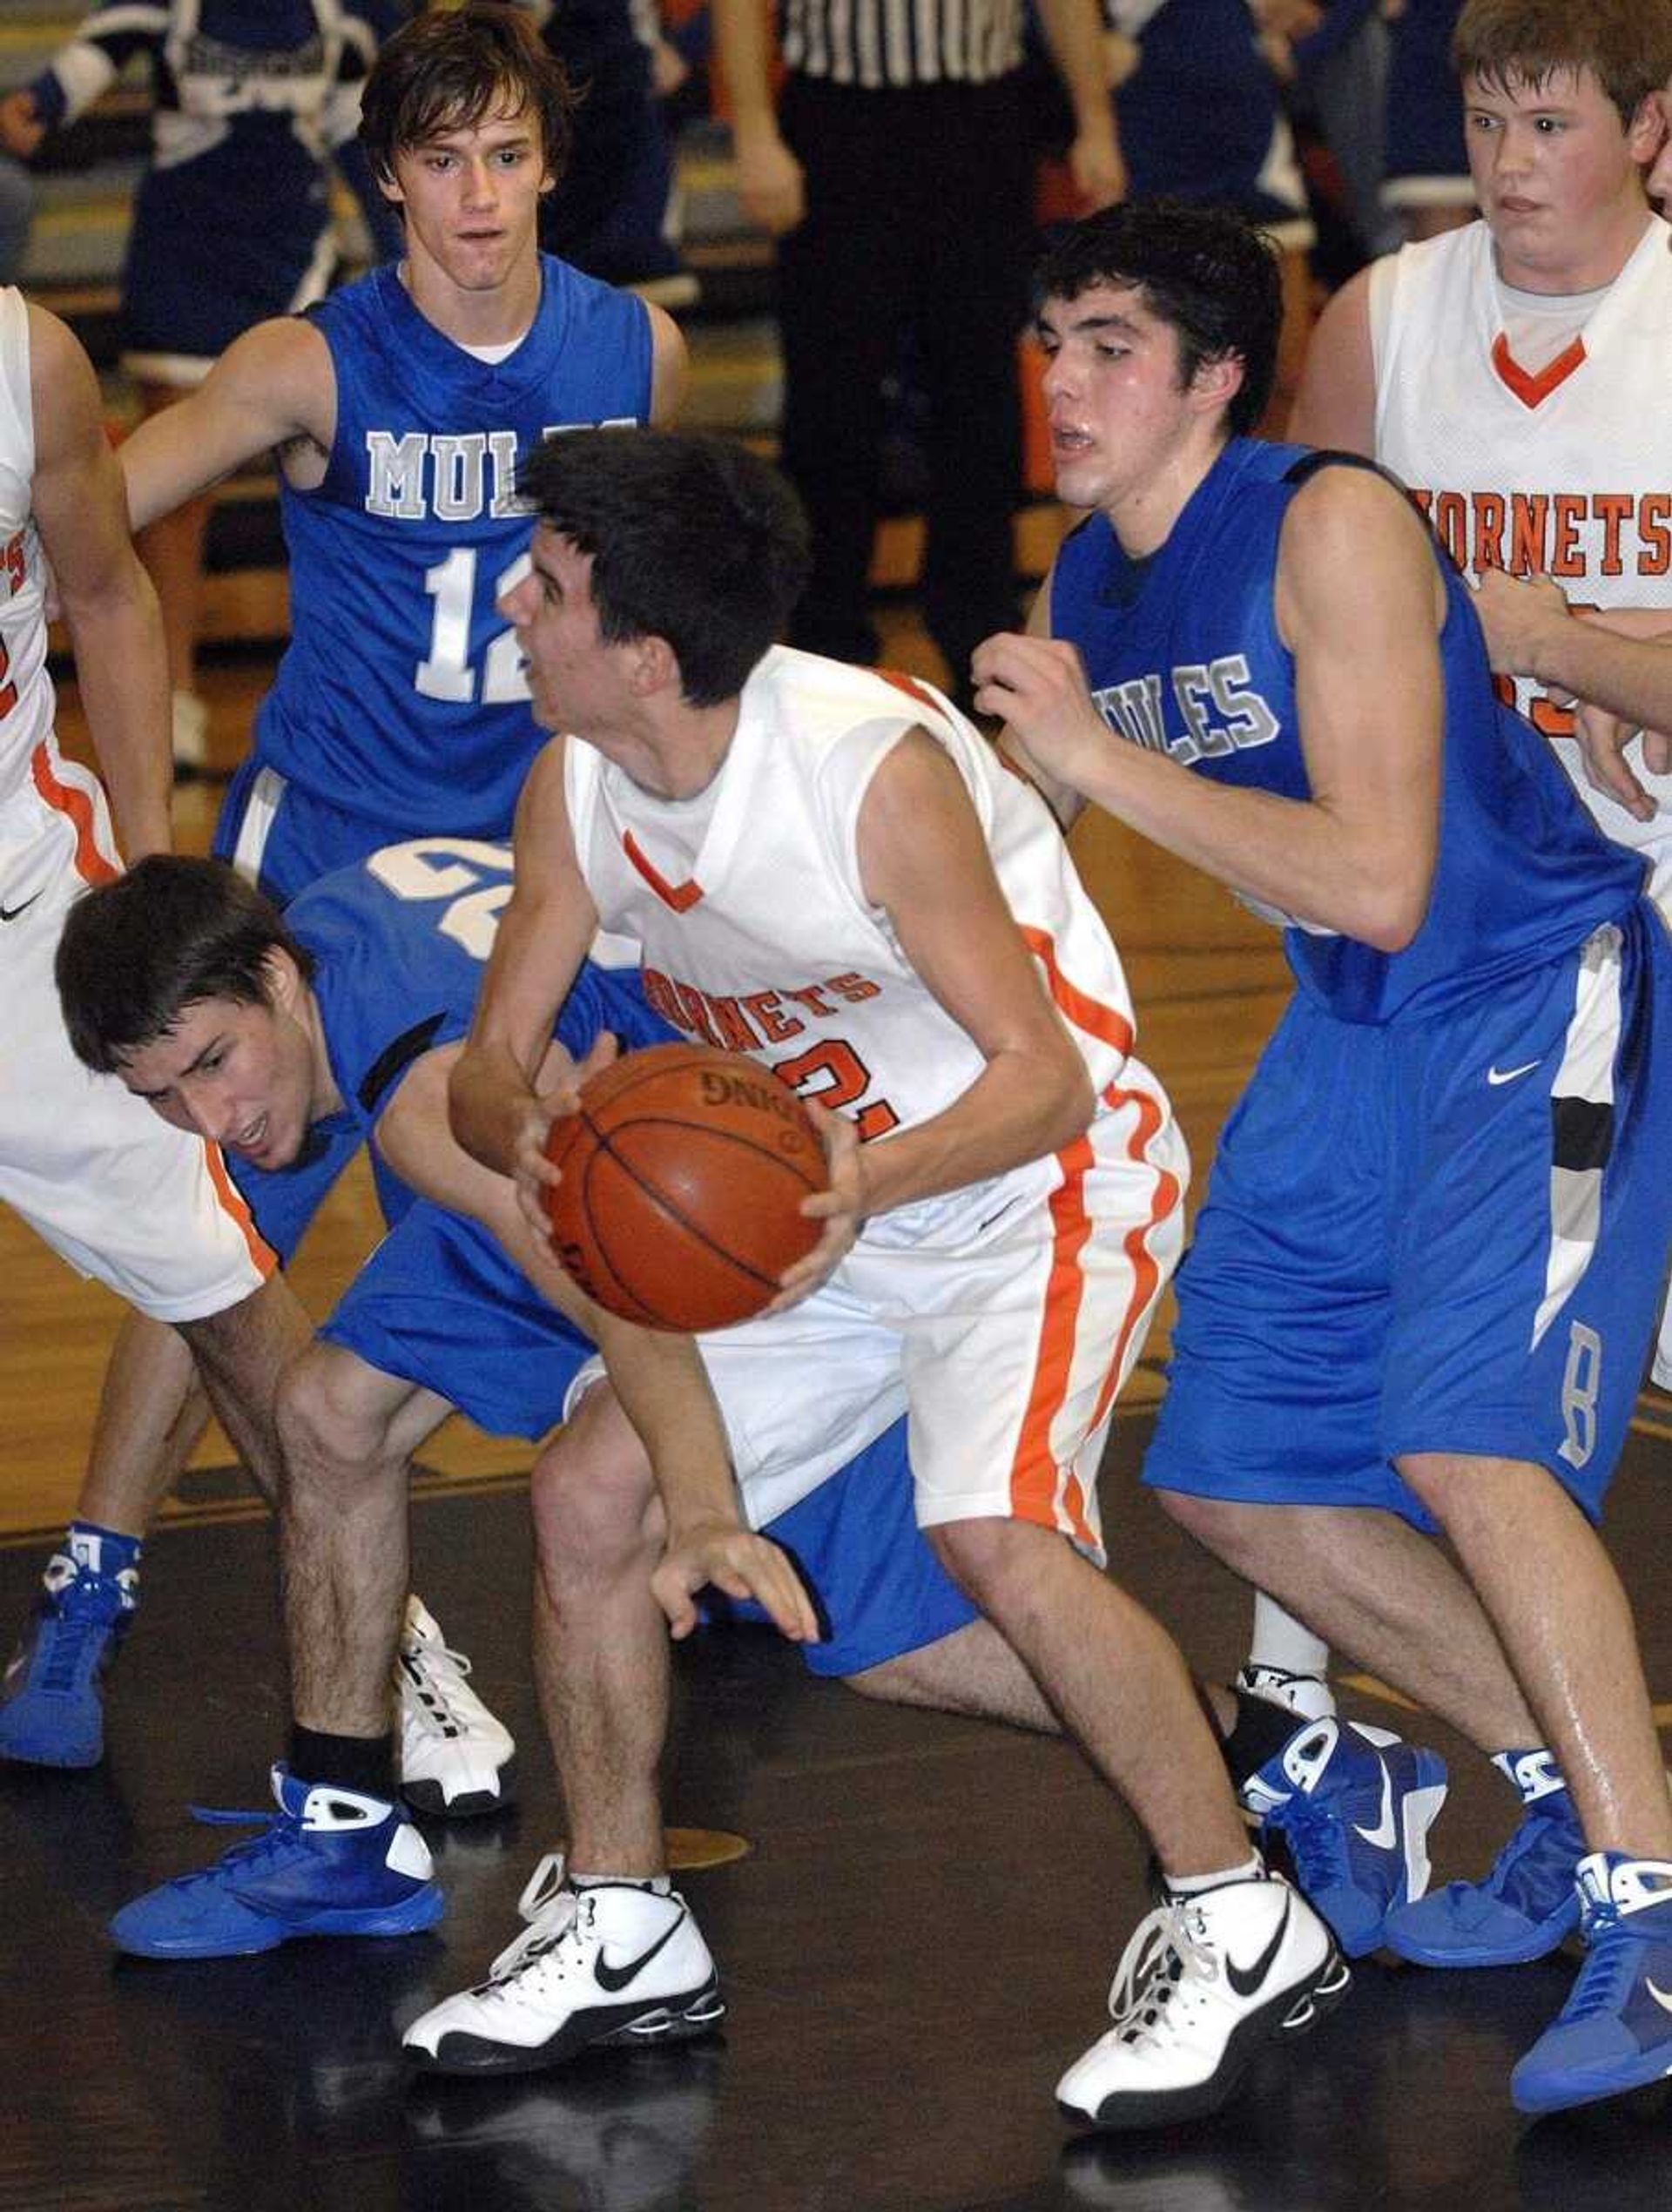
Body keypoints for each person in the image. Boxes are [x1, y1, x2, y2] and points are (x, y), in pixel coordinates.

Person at [410, 423, 1370, 2133]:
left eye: (547, 586)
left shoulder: (865, 772)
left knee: (992, 1527)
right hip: (821, 1205)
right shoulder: (576, 775)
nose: (516, 608)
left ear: (646, 651)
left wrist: (864, 1189)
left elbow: (1046, 1078)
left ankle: (1235, 1914)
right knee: (588, 1496)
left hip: (1031, 1178)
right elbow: (493, 1065)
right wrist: (542, 1123)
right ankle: (624, 1917)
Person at [974, 197, 1672, 2117]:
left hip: (1531, 990)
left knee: (1465, 1440)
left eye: (1110, 343)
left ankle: (1655, 1899)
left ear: (1213, 376)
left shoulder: (1330, 519)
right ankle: (1536, 1778)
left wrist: (1097, 765)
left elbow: (1378, 876)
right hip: (1358, 1031)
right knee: (1230, 1467)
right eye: (1051, 340)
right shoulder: (1084, 588)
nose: (1066, 380)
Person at [0, 2, 690, 1777]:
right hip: (326, 857)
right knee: (213, 1226)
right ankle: (97, 1573)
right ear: (387, 183)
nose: (481, 197)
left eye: (511, 158)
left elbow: (682, 599)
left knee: (587, 1185)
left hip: (533, 846)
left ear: (553, 164)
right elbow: (87, 514)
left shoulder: (637, 350)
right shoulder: (314, 361)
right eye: (443, 163)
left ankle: (685, 1508)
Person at [55, 841, 811, 1958]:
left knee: (910, 1629)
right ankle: (344, 1830)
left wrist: (701, 1504)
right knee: (326, 1412)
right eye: (161, 1093)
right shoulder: (332, 920)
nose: (210, 1117)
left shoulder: (426, 1105)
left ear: (273, 979)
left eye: (214, 1063)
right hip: (639, 1141)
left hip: (725, 1196)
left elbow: (620, 1290)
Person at [1272, 0, 1672, 1886]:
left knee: (1512, 1409)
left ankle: (1591, 1819)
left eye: (1555, 124)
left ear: (1654, 135)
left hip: (1650, 923)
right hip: (1469, 944)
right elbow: (1280, 597)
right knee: (1414, 1388)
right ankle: (1381, 1756)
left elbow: (1532, 630)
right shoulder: (1383, 318)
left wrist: (1559, 642)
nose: (1512, 161)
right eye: (1489, 119)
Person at [0, 284, 314, 1765]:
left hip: (20, 921)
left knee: (226, 1294)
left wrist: (142, 867)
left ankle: (389, 1665)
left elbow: (112, 596)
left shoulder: (26, 360)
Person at [0, 1, 408, 775]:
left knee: (329, 484)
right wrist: (41, 104)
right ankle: (174, 698)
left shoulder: (347, 16)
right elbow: (90, 58)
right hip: (184, 257)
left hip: (293, 256)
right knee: (173, 503)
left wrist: (402, 254)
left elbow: (360, 137)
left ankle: (340, 695)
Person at [711, 0, 1121, 706]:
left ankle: (981, 638)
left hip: (982, 116)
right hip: (840, 117)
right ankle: (824, 645)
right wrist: (754, 130)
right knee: (832, 396)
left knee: (981, 388)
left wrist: (1095, 122)